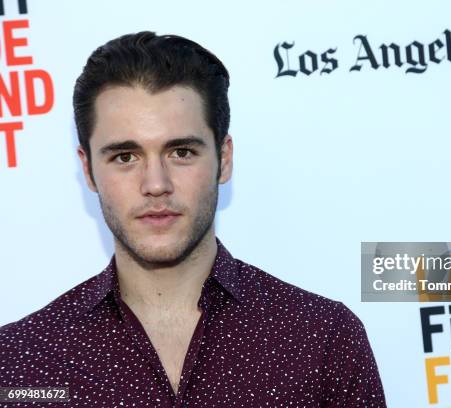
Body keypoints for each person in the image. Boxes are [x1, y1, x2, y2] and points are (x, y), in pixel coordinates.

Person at [0, 32, 386, 407]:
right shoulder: (18, 363)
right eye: (125, 157)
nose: (155, 184)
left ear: (224, 158)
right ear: (88, 170)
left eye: (181, 152)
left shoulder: (322, 339)